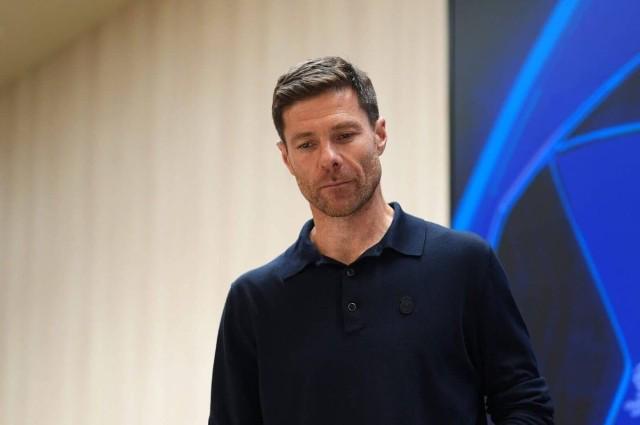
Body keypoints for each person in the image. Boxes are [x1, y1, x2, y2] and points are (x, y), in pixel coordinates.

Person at [208, 56, 554, 424]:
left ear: (379, 135)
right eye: (307, 145)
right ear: (286, 158)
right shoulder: (253, 300)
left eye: (344, 135)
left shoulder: (464, 264)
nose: (329, 158)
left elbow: (525, 405)